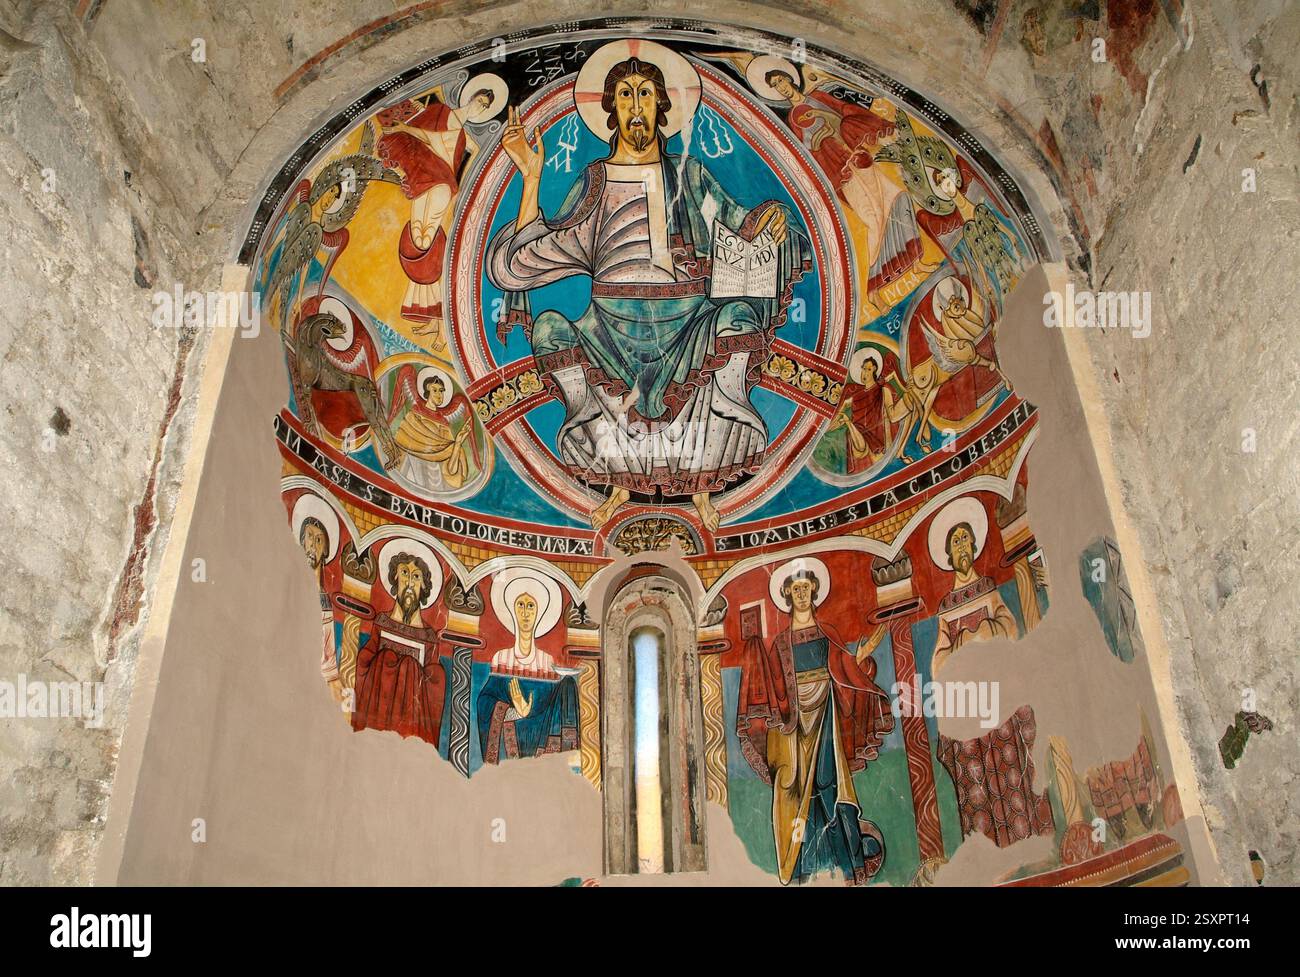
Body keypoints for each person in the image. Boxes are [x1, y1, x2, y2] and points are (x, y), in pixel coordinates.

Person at [487, 51, 810, 531]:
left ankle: (702, 484)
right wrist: (531, 176)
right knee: (552, 329)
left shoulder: (690, 176)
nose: (635, 105)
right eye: (623, 95)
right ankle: (615, 480)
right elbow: (525, 263)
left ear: (661, 105)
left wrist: (771, 221)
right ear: (609, 111)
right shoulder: (594, 182)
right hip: (610, 327)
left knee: (738, 317)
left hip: (688, 321)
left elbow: (742, 227)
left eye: (644, 94)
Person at [736, 561, 893, 885]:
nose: (802, 594)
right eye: (796, 590)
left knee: (828, 785)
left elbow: (842, 670)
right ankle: (808, 869)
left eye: (806, 588)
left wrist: (859, 658)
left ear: (814, 593)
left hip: (826, 716)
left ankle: (849, 868)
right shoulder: (780, 643)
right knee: (798, 796)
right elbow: (776, 688)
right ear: (788, 596)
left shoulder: (827, 633)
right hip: (795, 727)